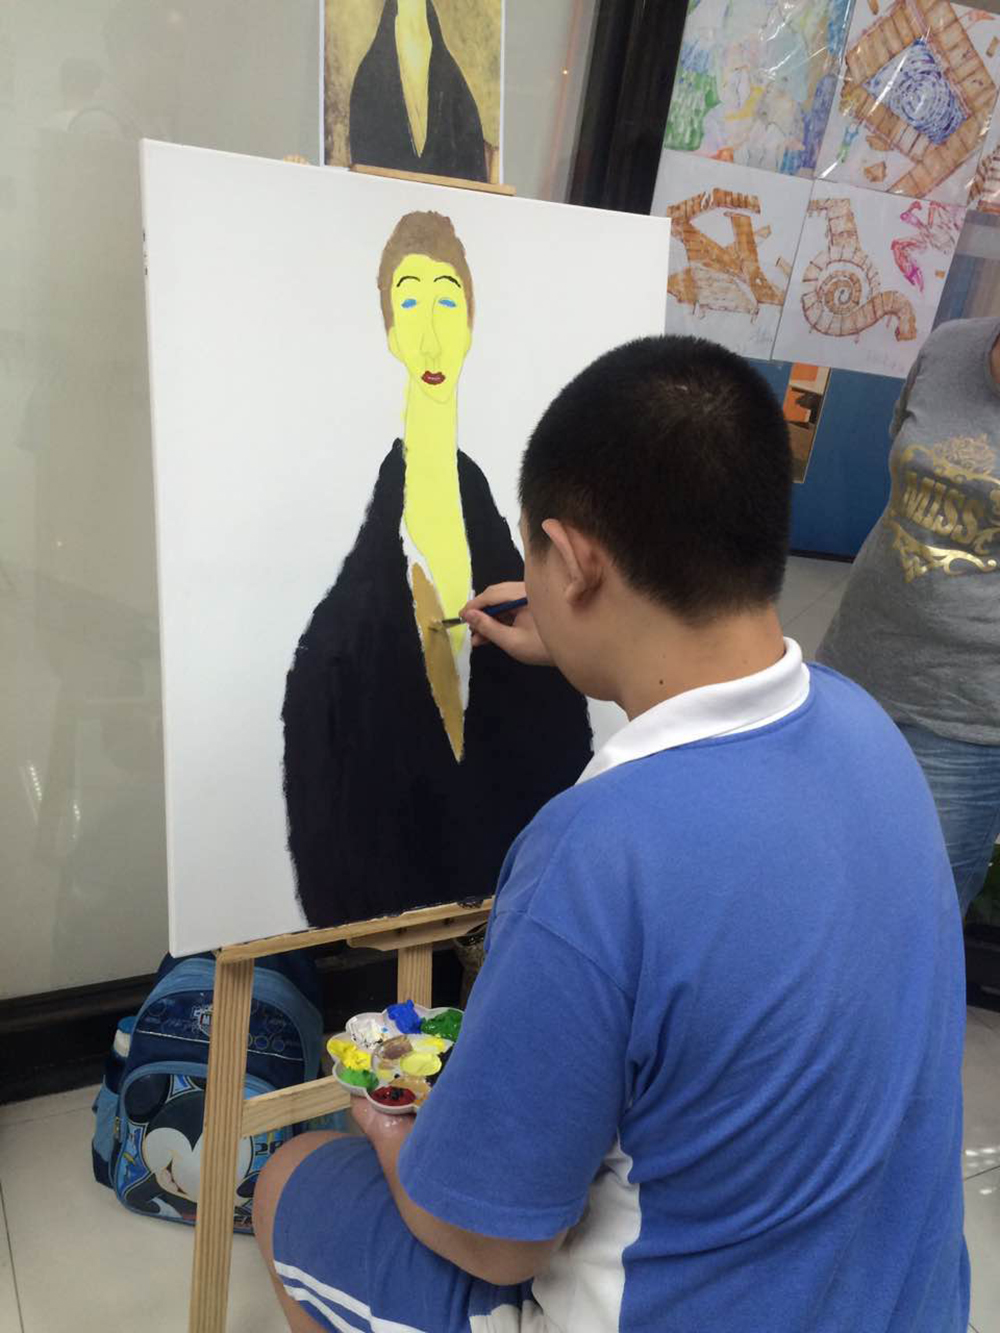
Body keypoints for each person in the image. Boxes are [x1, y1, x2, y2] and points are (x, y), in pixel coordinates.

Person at [257, 336, 968, 1332]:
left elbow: (496, 1239)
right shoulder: (870, 734)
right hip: (899, 1304)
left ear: (577, 559)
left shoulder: (595, 852)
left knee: (294, 1173)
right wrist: (582, 638)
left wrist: (385, 1134)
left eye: (530, 552)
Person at [282, 210, 591, 928]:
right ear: (389, 332)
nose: (428, 336)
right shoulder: (336, 628)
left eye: (447, 304)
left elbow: (565, 752)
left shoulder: (515, 550)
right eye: (410, 305)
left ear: (472, 324)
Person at [818, 316, 1000, 916]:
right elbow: (901, 447)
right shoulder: (951, 344)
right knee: (815, 855)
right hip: (854, 664)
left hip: (966, 717)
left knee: (914, 910)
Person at [348, 0, 489, 182]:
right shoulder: (369, 77)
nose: (416, 43)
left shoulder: (452, 82)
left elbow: (472, 165)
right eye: (409, 34)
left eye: (420, 34)